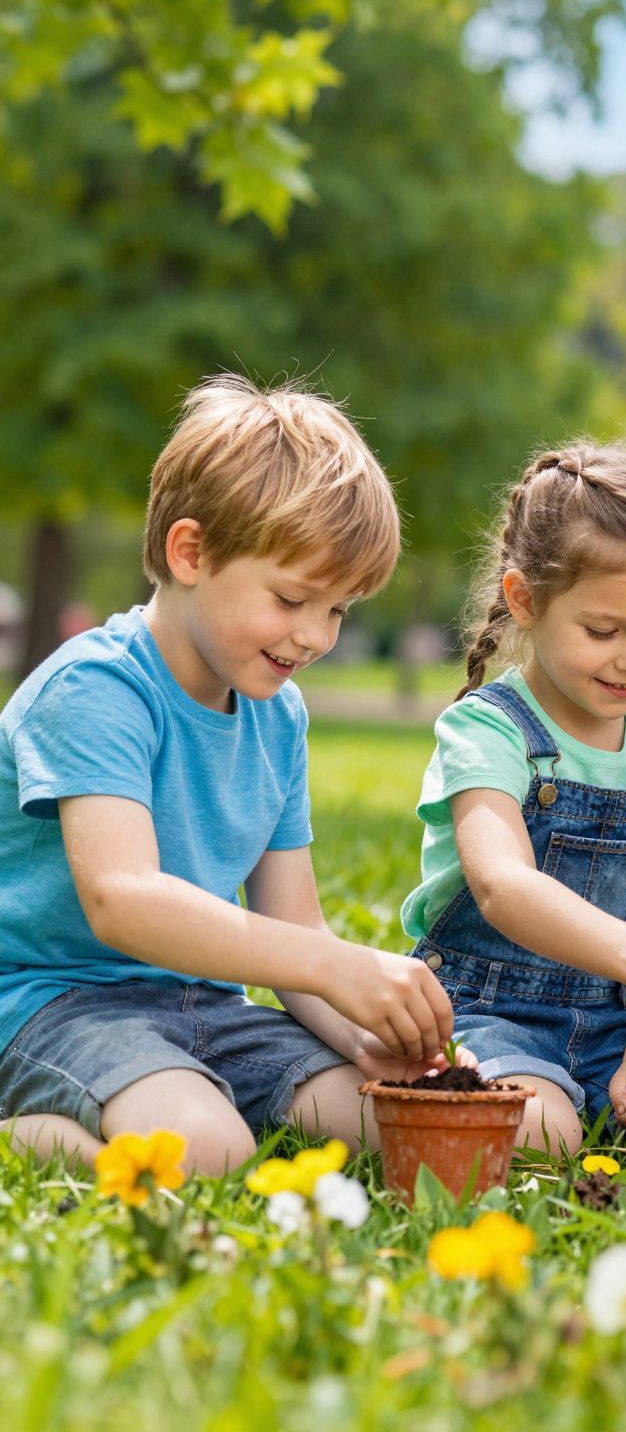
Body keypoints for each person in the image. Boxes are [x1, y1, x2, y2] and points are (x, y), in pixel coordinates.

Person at [0, 376, 453, 1171]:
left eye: (339, 610)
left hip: (206, 1006)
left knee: (402, 1130)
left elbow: (298, 925)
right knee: (206, 1150)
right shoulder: (96, 689)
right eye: (291, 598)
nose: (315, 635)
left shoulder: (279, 715)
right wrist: (333, 964)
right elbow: (122, 901)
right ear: (191, 552)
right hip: (55, 1006)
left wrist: (363, 1036)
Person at [398, 440, 626, 1154]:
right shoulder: (488, 730)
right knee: (544, 1134)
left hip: (621, 1024)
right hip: (490, 1014)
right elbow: (503, 887)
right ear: (525, 600)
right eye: (603, 630)